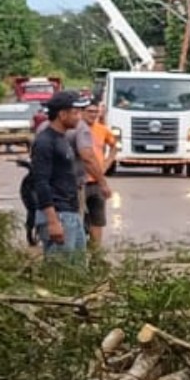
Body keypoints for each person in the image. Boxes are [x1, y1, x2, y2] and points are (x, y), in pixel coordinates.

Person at [29, 90, 86, 259]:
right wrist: (53, 221)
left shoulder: (63, 139)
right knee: (59, 275)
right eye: (75, 113)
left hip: (71, 213)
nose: (79, 117)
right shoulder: (45, 142)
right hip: (58, 215)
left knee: (77, 272)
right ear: (62, 114)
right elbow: (41, 183)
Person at [70, 96, 113, 249]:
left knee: (98, 219)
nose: (93, 115)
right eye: (89, 111)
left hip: (96, 182)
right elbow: (87, 158)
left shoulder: (102, 130)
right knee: (77, 219)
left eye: (96, 112)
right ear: (81, 112)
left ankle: (96, 254)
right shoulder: (75, 129)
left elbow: (114, 147)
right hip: (80, 183)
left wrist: (105, 166)